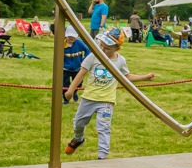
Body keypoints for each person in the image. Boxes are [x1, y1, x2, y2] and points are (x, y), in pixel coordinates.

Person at [64, 28, 156, 159]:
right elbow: (82, 73)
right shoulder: (93, 56)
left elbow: (126, 76)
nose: (102, 49)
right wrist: (70, 90)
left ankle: (103, 155)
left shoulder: (120, 61)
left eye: (107, 48)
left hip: (106, 101)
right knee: (78, 123)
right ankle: (78, 139)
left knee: (103, 127)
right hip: (88, 98)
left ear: (116, 49)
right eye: (101, 45)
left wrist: (144, 77)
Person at [61, 31, 89, 104]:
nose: (72, 38)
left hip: (77, 68)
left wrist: (84, 60)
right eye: (70, 36)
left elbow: (87, 50)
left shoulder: (79, 43)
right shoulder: (62, 44)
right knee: (64, 84)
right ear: (66, 36)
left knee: (78, 83)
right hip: (65, 69)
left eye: (74, 36)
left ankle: (74, 92)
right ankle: (66, 99)